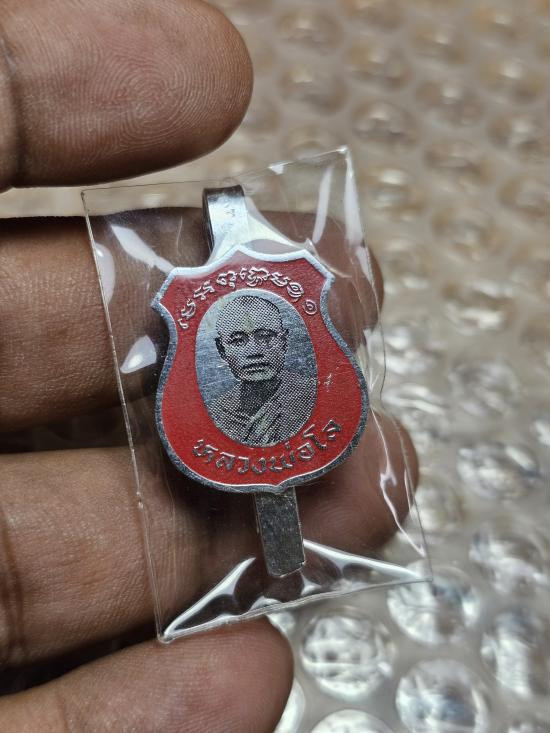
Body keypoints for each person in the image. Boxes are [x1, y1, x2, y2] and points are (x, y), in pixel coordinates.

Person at [0, 1, 415, 730]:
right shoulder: (200, 356)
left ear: (284, 342)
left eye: (265, 337)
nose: (250, 351)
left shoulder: (303, 391)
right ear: (217, 348)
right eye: (234, 340)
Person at [209, 295, 316, 445]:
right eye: (238, 341)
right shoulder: (218, 413)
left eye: (265, 337)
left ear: (284, 341)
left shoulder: (312, 395)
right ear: (222, 350)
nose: (254, 352)